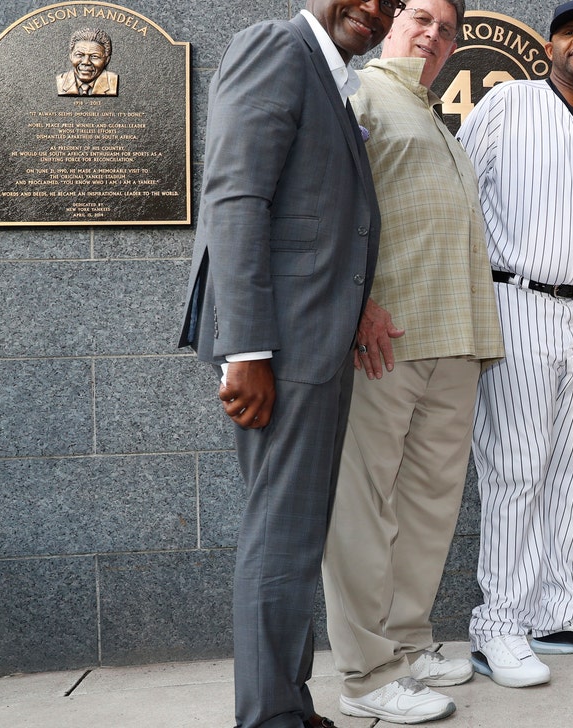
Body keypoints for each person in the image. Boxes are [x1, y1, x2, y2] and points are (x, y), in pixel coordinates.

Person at [178, 1, 395, 726]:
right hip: (285, 346)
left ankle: (287, 705)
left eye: (390, 0)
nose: (374, 6)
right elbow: (236, 197)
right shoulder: (277, 47)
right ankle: (269, 717)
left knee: (294, 537)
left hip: (312, 343)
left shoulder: (330, 76)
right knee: (280, 535)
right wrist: (248, 350)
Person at [319, 1, 503, 724]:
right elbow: (325, 207)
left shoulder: (434, 115)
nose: (434, 35)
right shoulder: (359, 94)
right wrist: (355, 303)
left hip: (453, 338)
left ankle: (406, 643)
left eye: (448, 28)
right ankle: (366, 676)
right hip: (384, 341)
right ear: (392, 22)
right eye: (421, 18)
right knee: (363, 511)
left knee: (428, 507)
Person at [456, 0, 573, 689]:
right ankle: (498, 624)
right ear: (551, 45)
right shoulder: (507, 104)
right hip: (516, 297)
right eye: (570, 32)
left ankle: (557, 607)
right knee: (517, 466)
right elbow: (459, 199)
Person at [57, 27, 118, 96]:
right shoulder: (60, 80)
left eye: (94, 56)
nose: (86, 62)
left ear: (107, 60)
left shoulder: (113, 81)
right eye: (79, 55)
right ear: (71, 56)